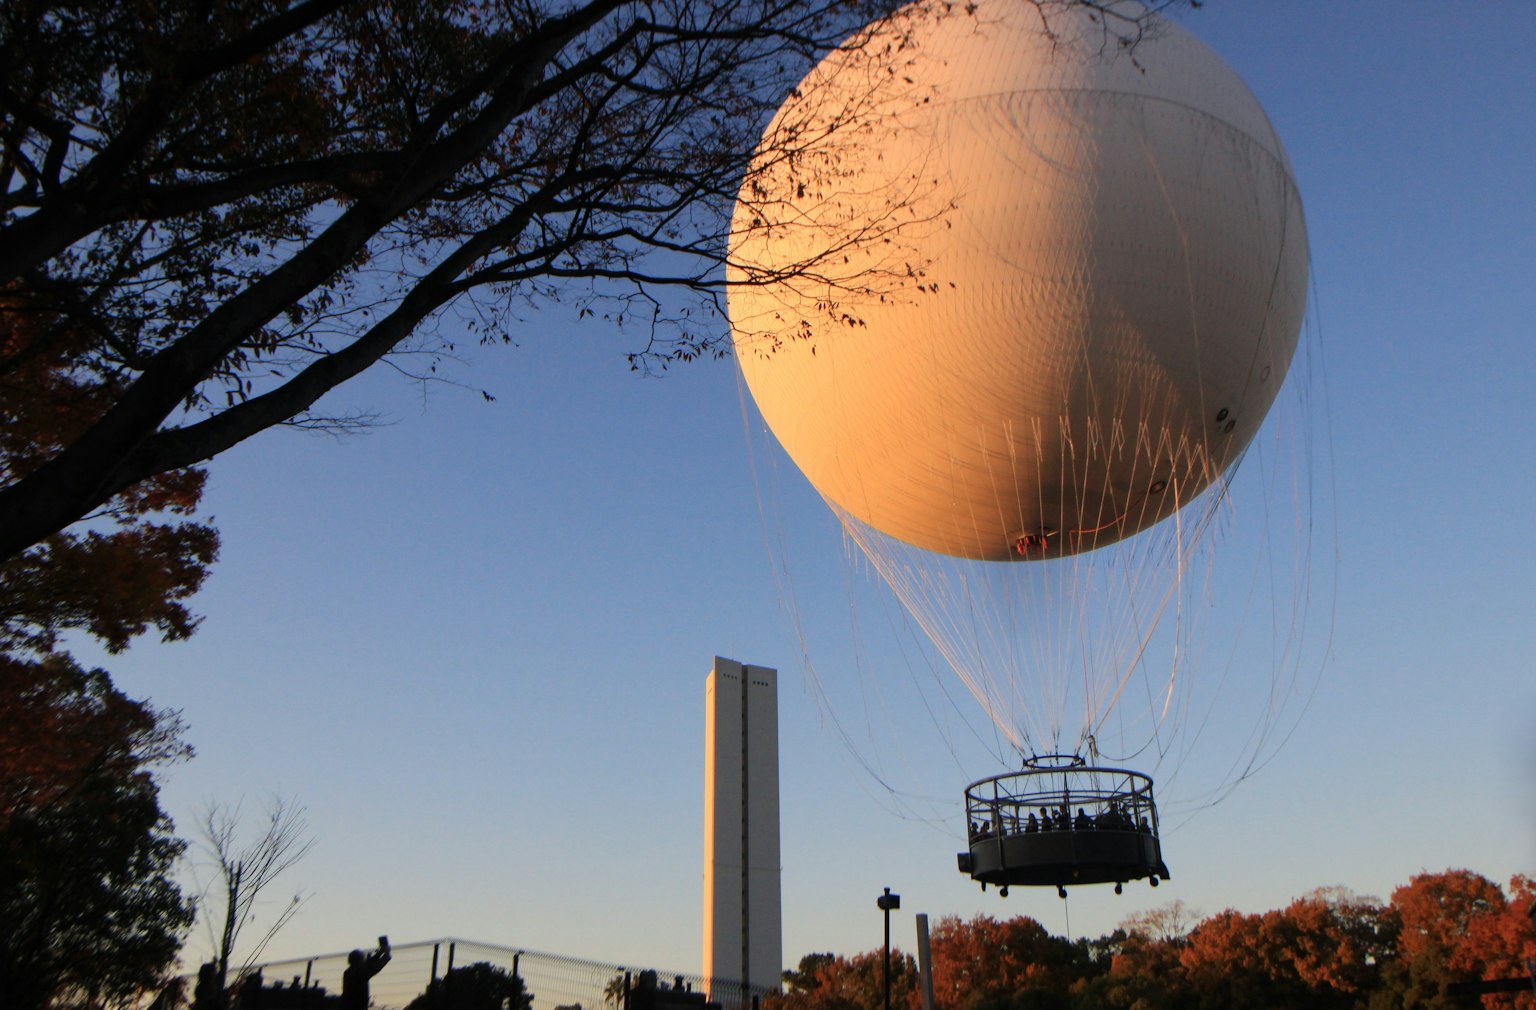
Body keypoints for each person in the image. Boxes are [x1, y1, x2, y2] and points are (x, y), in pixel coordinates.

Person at [341, 937, 391, 1010]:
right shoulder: (359, 972)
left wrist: (379, 953)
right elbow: (374, 968)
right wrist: (386, 955)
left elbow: (367, 965)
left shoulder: (348, 972)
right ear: (360, 960)